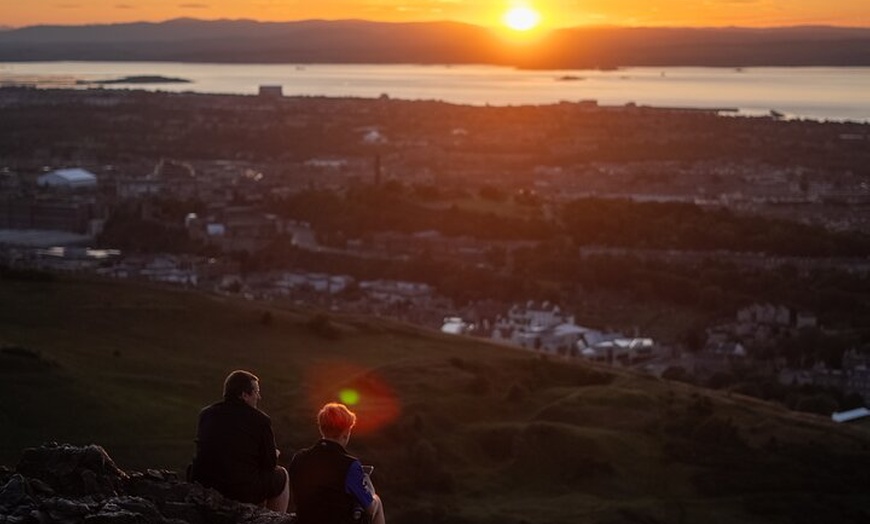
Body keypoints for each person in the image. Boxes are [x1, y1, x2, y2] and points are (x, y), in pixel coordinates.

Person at [189, 370, 289, 513]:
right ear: (244, 395)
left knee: (251, 474)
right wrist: (274, 453)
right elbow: (270, 463)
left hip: (203, 484)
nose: (259, 397)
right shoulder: (260, 420)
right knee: (281, 475)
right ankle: (272, 520)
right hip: (238, 489)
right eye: (256, 392)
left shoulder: (206, 414)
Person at [289, 402, 386, 524]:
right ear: (346, 433)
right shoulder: (349, 465)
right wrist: (370, 489)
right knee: (376, 502)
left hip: (305, 520)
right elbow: (370, 509)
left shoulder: (299, 458)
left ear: (321, 429)